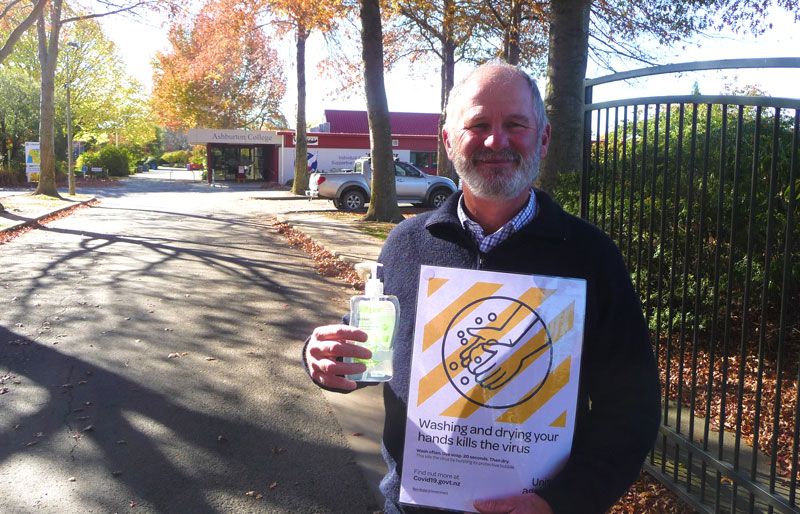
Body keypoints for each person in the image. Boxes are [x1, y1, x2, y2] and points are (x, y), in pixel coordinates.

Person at [303, 60, 661, 514]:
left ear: (544, 139)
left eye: (515, 124)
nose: (497, 141)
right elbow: (372, 344)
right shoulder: (406, 244)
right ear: (449, 140)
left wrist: (562, 502)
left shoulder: (591, 256)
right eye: (478, 125)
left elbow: (634, 408)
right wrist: (327, 358)